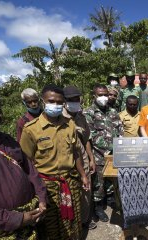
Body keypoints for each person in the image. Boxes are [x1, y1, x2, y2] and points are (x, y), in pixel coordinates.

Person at [20, 84, 89, 240]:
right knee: (52, 226)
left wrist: (83, 175)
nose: (56, 105)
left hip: (70, 180)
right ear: (43, 101)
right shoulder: (31, 129)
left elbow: (75, 152)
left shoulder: (69, 124)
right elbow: (26, 163)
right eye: (52, 101)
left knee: (74, 221)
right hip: (47, 185)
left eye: (59, 102)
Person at [0, 89, 47, 239]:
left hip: (32, 218)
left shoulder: (8, 140)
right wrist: (15, 219)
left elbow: (30, 170)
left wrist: (41, 197)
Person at [84, 84, 123, 222]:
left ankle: (111, 200)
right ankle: (99, 208)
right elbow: (90, 136)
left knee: (111, 181)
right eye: (100, 95)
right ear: (94, 95)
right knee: (98, 184)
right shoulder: (88, 113)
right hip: (98, 156)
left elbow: (120, 130)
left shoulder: (113, 112)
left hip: (114, 155)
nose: (104, 97)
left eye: (106, 94)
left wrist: (120, 145)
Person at [63, 86, 97, 230]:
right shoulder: (59, 117)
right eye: (71, 100)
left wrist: (91, 158)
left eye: (76, 99)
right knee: (69, 192)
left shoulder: (81, 116)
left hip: (82, 157)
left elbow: (86, 139)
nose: (74, 102)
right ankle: (71, 222)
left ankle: (84, 220)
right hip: (65, 160)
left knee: (86, 190)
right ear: (64, 101)